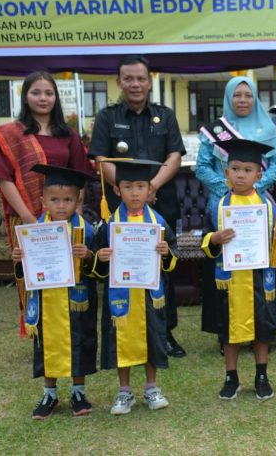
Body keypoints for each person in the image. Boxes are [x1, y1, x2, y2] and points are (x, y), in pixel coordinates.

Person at [88, 55, 187, 358]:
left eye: (141, 78)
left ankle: (165, 332)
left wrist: (151, 187)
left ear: (149, 81)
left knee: (162, 266)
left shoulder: (165, 116)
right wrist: (127, 188)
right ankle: (124, 326)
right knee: (124, 266)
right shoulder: (107, 117)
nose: (135, 84)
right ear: (119, 82)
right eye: (128, 78)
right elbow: (101, 159)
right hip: (122, 206)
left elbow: (174, 156)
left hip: (159, 204)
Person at [0, 71, 94, 338]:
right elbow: (3, 178)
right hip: (28, 219)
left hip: (64, 219)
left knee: (65, 274)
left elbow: (80, 177)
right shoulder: (12, 135)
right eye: (36, 92)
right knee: (36, 276)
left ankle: (66, 332)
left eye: (48, 93)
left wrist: (76, 215)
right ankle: (39, 333)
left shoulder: (67, 134)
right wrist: (28, 217)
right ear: (25, 97)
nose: (43, 98)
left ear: (56, 97)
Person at [195, 76, 276, 353]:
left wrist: (255, 185)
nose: (243, 100)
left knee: (259, 264)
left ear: (255, 98)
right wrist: (229, 187)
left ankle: (262, 329)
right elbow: (202, 167)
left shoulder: (268, 128)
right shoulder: (215, 130)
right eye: (237, 95)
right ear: (228, 98)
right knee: (225, 262)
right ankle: (226, 331)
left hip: (258, 203)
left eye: (248, 95)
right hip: (223, 204)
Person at [201, 140, 276, 401]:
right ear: (226, 173)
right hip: (230, 279)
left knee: (262, 328)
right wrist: (215, 239)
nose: (240, 175)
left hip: (259, 278)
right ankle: (231, 377)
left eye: (247, 170)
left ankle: (261, 375)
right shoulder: (218, 206)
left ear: (259, 175)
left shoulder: (269, 208)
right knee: (229, 330)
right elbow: (205, 240)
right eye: (235, 169)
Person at [90, 159, 179, 415]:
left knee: (152, 337)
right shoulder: (110, 225)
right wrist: (101, 257)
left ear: (149, 189)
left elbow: (173, 253)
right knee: (121, 339)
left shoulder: (158, 222)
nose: (135, 193)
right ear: (117, 190)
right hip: (121, 295)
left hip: (149, 294)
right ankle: (124, 390)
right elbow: (95, 258)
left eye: (140, 186)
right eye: (128, 187)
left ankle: (151, 387)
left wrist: (166, 252)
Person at [11, 165, 98, 419]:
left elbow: (100, 268)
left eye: (68, 200)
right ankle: (49, 394)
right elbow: (26, 271)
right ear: (43, 201)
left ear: (78, 200)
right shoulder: (34, 233)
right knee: (46, 345)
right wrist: (19, 259)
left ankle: (78, 392)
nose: (61, 206)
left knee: (79, 341)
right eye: (55, 200)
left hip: (76, 299)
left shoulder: (87, 230)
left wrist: (88, 255)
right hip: (47, 301)